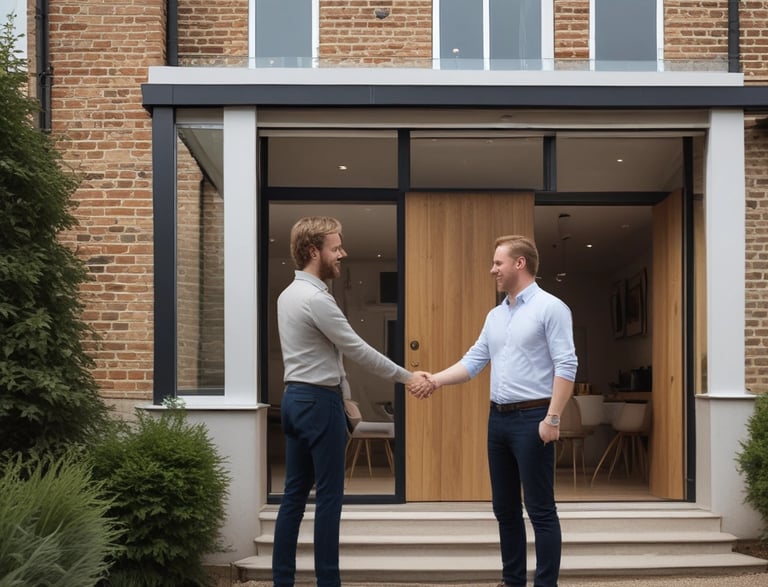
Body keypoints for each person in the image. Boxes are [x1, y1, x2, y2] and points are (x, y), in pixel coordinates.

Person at [410, 234, 578, 587]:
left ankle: (546, 584)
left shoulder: (551, 308)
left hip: (534, 420)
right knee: (504, 509)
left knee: (541, 510)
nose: (492, 270)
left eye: (497, 263)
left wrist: (553, 418)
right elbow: (473, 361)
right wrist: (434, 380)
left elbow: (567, 366)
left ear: (520, 263)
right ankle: (512, 580)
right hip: (498, 421)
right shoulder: (495, 315)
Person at [273, 216, 420, 587]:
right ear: (313, 251)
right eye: (336, 247)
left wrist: (349, 398)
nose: (342, 253)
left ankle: (282, 580)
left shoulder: (288, 295)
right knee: (329, 500)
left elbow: (333, 357)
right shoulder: (317, 300)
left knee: (293, 497)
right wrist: (409, 377)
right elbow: (357, 349)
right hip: (319, 403)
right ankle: (328, 582)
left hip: (293, 398)